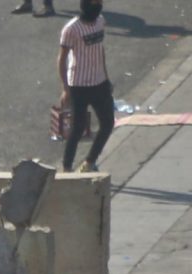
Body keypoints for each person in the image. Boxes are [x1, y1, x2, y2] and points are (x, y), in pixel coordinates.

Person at [56, 0, 115, 169]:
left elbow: (100, 50)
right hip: (78, 85)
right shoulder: (71, 29)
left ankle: (89, 161)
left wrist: (106, 77)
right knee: (77, 129)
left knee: (107, 123)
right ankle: (67, 168)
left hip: (99, 82)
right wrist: (65, 88)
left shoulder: (100, 22)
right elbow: (61, 59)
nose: (98, 5)